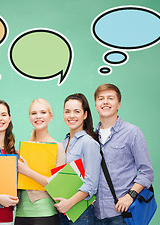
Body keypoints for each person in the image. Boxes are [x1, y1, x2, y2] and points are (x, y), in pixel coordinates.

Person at [93, 84, 154, 225]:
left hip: (122, 213)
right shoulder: (91, 136)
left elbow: (147, 172)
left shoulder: (133, 133)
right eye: (101, 99)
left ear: (118, 104)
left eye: (110, 98)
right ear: (96, 105)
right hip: (95, 214)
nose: (105, 102)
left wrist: (130, 196)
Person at [15, 98, 65, 225]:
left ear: (50, 116)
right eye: (33, 113)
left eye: (43, 112)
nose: (38, 116)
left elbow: (56, 185)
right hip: (21, 213)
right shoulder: (23, 149)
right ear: (29, 117)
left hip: (45, 213)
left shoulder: (58, 147)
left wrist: (27, 171)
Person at [53, 93, 101, 225]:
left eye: (77, 111)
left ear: (85, 115)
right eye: (67, 111)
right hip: (62, 210)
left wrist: (69, 203)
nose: (71, 116)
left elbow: (91, 184)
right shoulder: (63, 143)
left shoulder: (89, 143)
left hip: (80, 213)